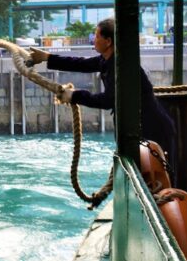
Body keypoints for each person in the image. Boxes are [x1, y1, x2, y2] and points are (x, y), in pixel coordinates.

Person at [28, 17, 177, 173]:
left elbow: (108, 100)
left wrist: (74, 96)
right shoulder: (107, 60)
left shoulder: (120, 66)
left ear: (108, 41)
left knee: (162, 178)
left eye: (97, 36)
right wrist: (47, 58)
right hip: (142, 129)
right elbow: (80, 63)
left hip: (154, 130)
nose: (94, 39)